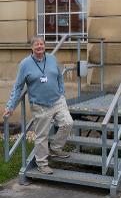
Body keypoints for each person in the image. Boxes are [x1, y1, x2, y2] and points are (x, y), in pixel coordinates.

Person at [3, 36, 73, 174]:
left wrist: (62, 92)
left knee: (68, 123)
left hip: (57, 101)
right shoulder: (25, 64)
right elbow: (18, 87)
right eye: (36, 45)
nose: (39, 46)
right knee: (42, 136)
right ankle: (42, 163)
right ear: (32, 47)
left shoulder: (52, 59)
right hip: (40, 105)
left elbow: (59, 76)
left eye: (41, 44)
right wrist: (10, 106)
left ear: (45, 46)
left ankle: (55, 148)